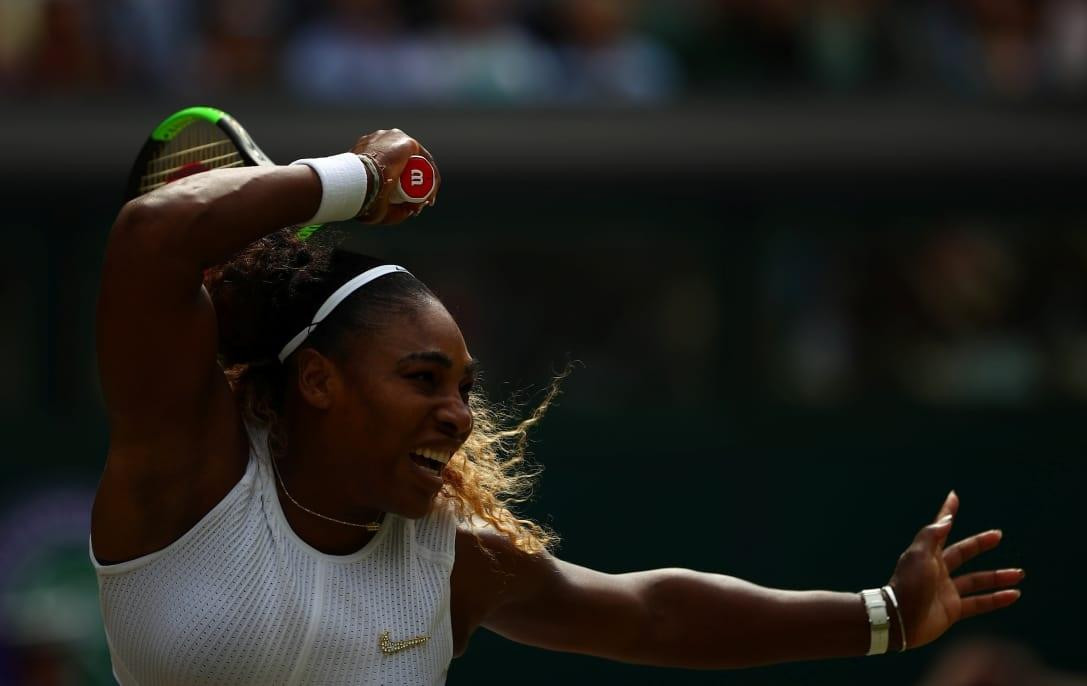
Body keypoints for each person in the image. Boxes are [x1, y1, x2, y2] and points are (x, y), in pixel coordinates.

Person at [90, 128, 1023, 685]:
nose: (457, 413)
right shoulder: (190, 475)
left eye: (463, 387)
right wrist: (360, 180)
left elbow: (647, 613)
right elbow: (153, 234)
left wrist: (885, 616)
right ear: (319, 380)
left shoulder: (447, 563)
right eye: (422, 378)